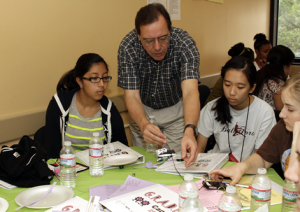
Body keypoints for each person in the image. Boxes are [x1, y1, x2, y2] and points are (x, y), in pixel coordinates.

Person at [118, 3, 200, 166]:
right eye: (148, 41)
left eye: (163, 38)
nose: (157, 47)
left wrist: (189, 130)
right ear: (138, 35)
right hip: (142, 110)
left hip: (176, 112)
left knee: (176, 165)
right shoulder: (128, 47)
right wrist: (143, 124)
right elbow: (132, 95)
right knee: (145, 165)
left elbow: (190, 91)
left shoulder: (184, 43)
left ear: (170, 30)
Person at [210, 74, 300, 185]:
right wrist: (240, 168)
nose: (281, 114)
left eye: (290, 109)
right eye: (283, 106)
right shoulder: (282, 127)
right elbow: (263, 158)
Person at [39, 53, 128, 158]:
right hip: (67, 168)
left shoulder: (109, 110)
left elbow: (122, 150)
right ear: (79, 81)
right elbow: (51, 152)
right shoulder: (59, 104)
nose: (102, 84)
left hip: (99, 168)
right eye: (94, 78)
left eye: (104, 78)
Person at [197, 56, 276, 162]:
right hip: (215, 166)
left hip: (248, 169)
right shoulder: (212, 108)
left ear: (252, 88)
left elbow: (260, 157)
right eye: (227, 84)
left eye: (240, 87)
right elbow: (199, 150)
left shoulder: (265, 112)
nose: (232, 92)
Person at [253, 45, 295, 110]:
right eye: (290, 65)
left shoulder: (263, 75)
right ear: (284, 66)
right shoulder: (277, 84)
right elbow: (281, 112)